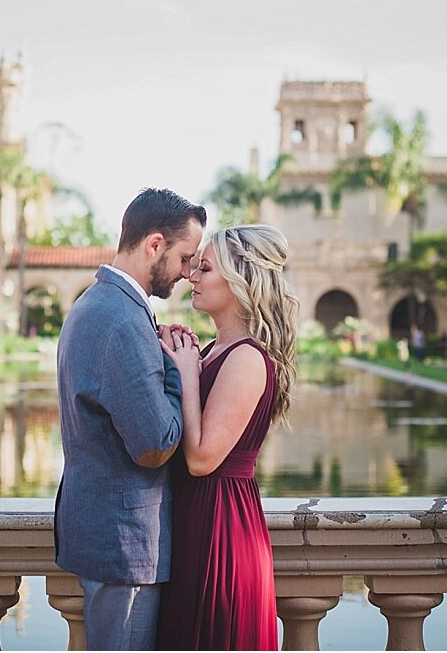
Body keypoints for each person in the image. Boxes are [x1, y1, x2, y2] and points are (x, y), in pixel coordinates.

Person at [54, 188, 206, 651]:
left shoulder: (97, 304)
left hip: (106, 536)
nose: (188, 272)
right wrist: (181, 373)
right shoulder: (122, 320)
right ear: (154, 245)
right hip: (124, 548)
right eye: (185, 257)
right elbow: (155, 444)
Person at [156, 224, 298, 650]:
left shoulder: (248, 358)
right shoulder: (215, 350)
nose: (191, 277)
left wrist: (185, 372)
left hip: (220, 528)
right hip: (196, 518)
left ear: (240, 281)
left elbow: (201, 458)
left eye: (205, 268)